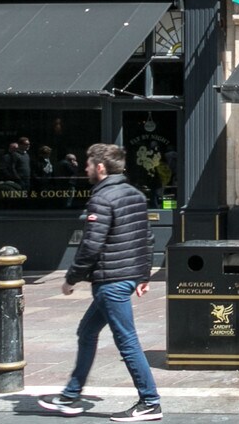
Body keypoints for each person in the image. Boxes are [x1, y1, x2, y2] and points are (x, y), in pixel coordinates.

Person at [36, 143, 161, 423]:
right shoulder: (135, 194)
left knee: (127, 341)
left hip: (111, 280)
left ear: (101, 168)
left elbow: (91, 245)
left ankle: (150, 401)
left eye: (89, 164)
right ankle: (71, 395)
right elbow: (148, 238)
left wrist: (71, 279)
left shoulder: (102, 198)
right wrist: (142, 275)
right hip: (125, 278)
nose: (86, 168)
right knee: (87, 331)